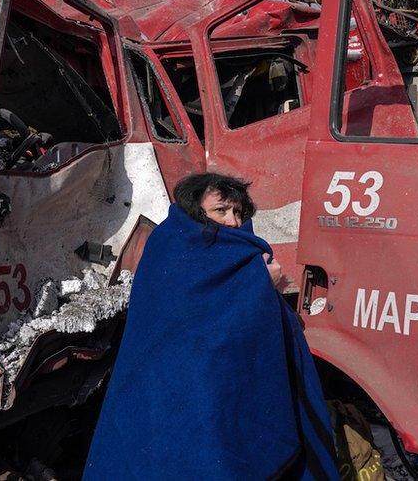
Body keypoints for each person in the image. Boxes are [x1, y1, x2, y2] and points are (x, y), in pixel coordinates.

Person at [84, 172, 338, 480]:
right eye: (221, 211)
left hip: (221, 394)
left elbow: (244, 332)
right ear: (195, 211)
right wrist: (259, 283)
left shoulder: (242, 255)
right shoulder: (171, 245)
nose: (232, 221)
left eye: (238, 212)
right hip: (169, 390)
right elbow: (188, 319)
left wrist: (260, 288)